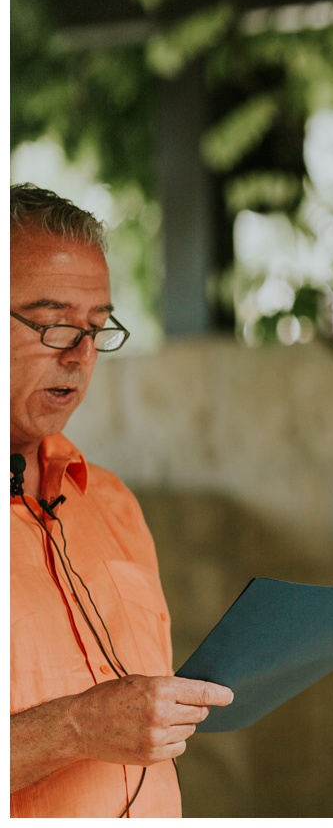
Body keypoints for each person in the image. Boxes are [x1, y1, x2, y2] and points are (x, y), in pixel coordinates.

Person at [9, 184, 233, 817]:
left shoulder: (112, 502)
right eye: (53, 324)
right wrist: (76, 728)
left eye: (96, 328)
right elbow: (88, 722)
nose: (80, 355)